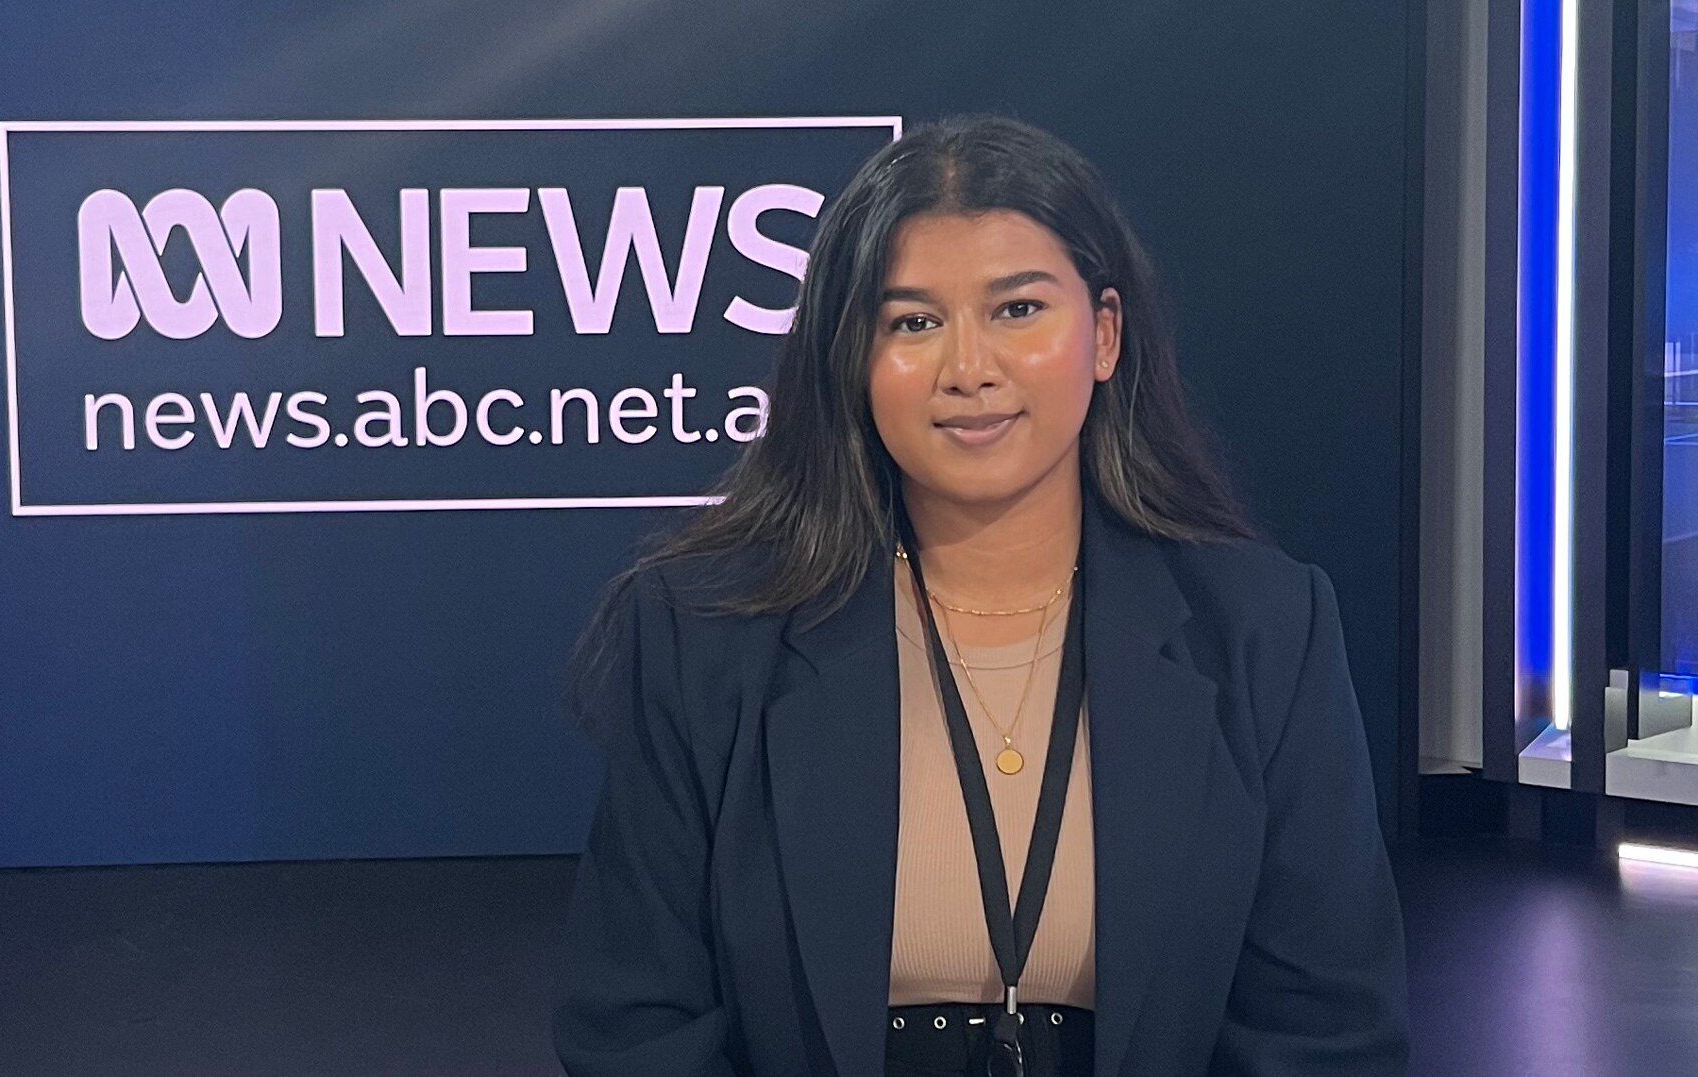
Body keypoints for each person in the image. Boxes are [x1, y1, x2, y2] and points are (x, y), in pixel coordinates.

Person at [550, 114, 1409, 1077]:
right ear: (852, 358)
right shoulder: (705, 631)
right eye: (912, 322)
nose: (969, 370)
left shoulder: (1263, 627)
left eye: (1017, 310)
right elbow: (637, 1028)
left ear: (1105, 335)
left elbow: (1323, 1031)